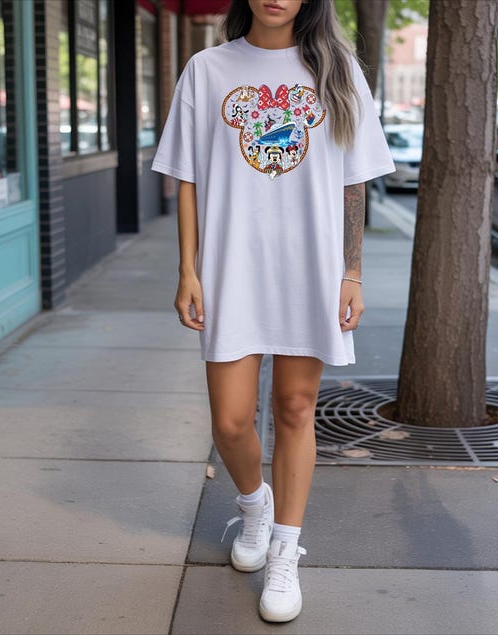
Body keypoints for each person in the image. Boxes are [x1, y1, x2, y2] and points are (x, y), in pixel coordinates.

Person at [151, 0, 393, 623]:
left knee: (294, 407)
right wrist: (188, 269)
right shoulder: (208, 69)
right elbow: (187, 179)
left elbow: (353, 180)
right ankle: (254, 505)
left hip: (309, 269)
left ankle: (285, 548)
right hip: (233, 267)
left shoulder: (339, 69)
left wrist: (352, 272)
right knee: (230, 422)